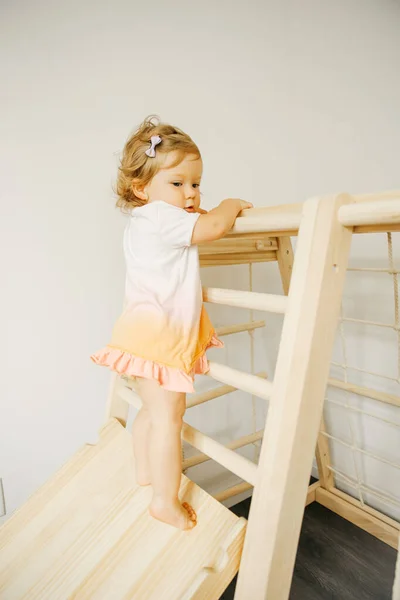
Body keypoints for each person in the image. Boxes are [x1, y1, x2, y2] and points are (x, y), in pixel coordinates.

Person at [90, 115, 253, 530]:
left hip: (142, 333)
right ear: (141, 189)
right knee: (169, 418)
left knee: (151, 410)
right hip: (158, 337)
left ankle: (146, 472)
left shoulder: (141, 224)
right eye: (178, 183)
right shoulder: (163, 218)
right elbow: (215, 226)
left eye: (196, 184)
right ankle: (165, 500)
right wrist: (230, 204)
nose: (191, 194)